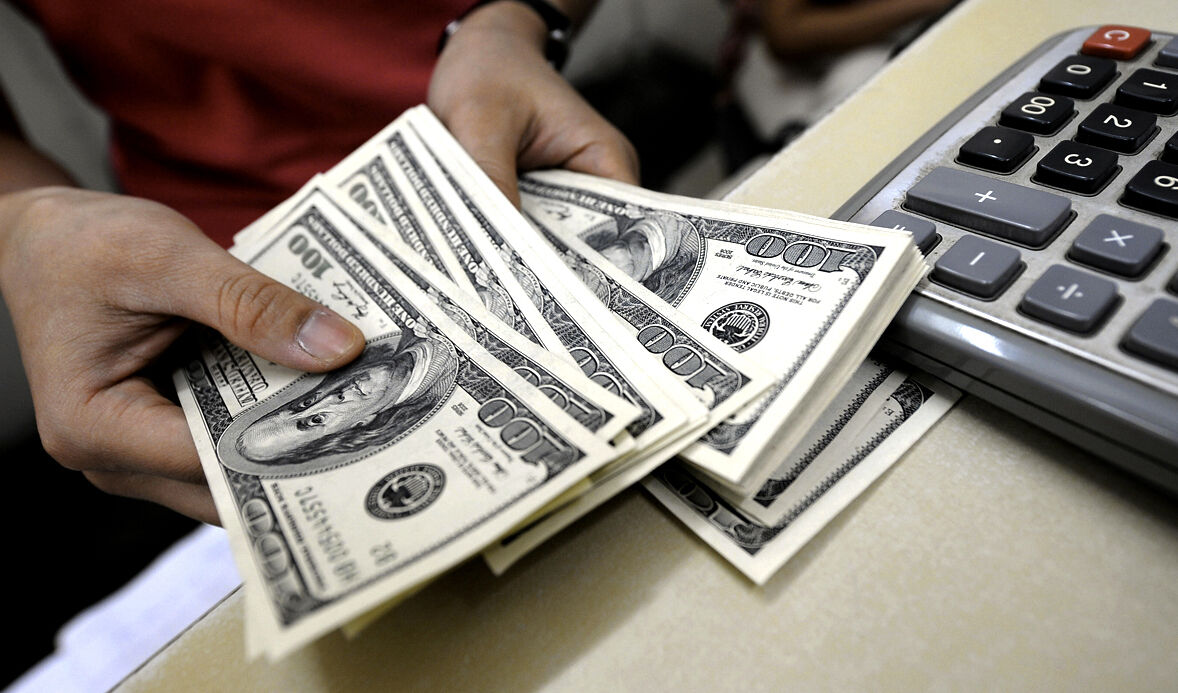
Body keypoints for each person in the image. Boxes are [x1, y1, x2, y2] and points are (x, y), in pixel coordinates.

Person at [0, 0, 639, 525]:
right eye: (314, 424)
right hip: (206, 274)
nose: (325, 409)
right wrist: (24, 221)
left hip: (500, 147)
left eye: (304, 416)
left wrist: (517, 17)